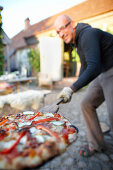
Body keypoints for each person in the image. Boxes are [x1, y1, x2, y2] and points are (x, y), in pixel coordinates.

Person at [54, 15, 113, 157]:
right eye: (57, 32)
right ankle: (97, 144)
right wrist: (72, 88)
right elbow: (85, 67)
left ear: (72, 24)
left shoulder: (88, 34)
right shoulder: (77, 42)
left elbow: (93, 67)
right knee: (86, 103)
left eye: (62, 28)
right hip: (102, 72)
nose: (61, 34)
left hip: (111, 69)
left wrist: (71, 88)